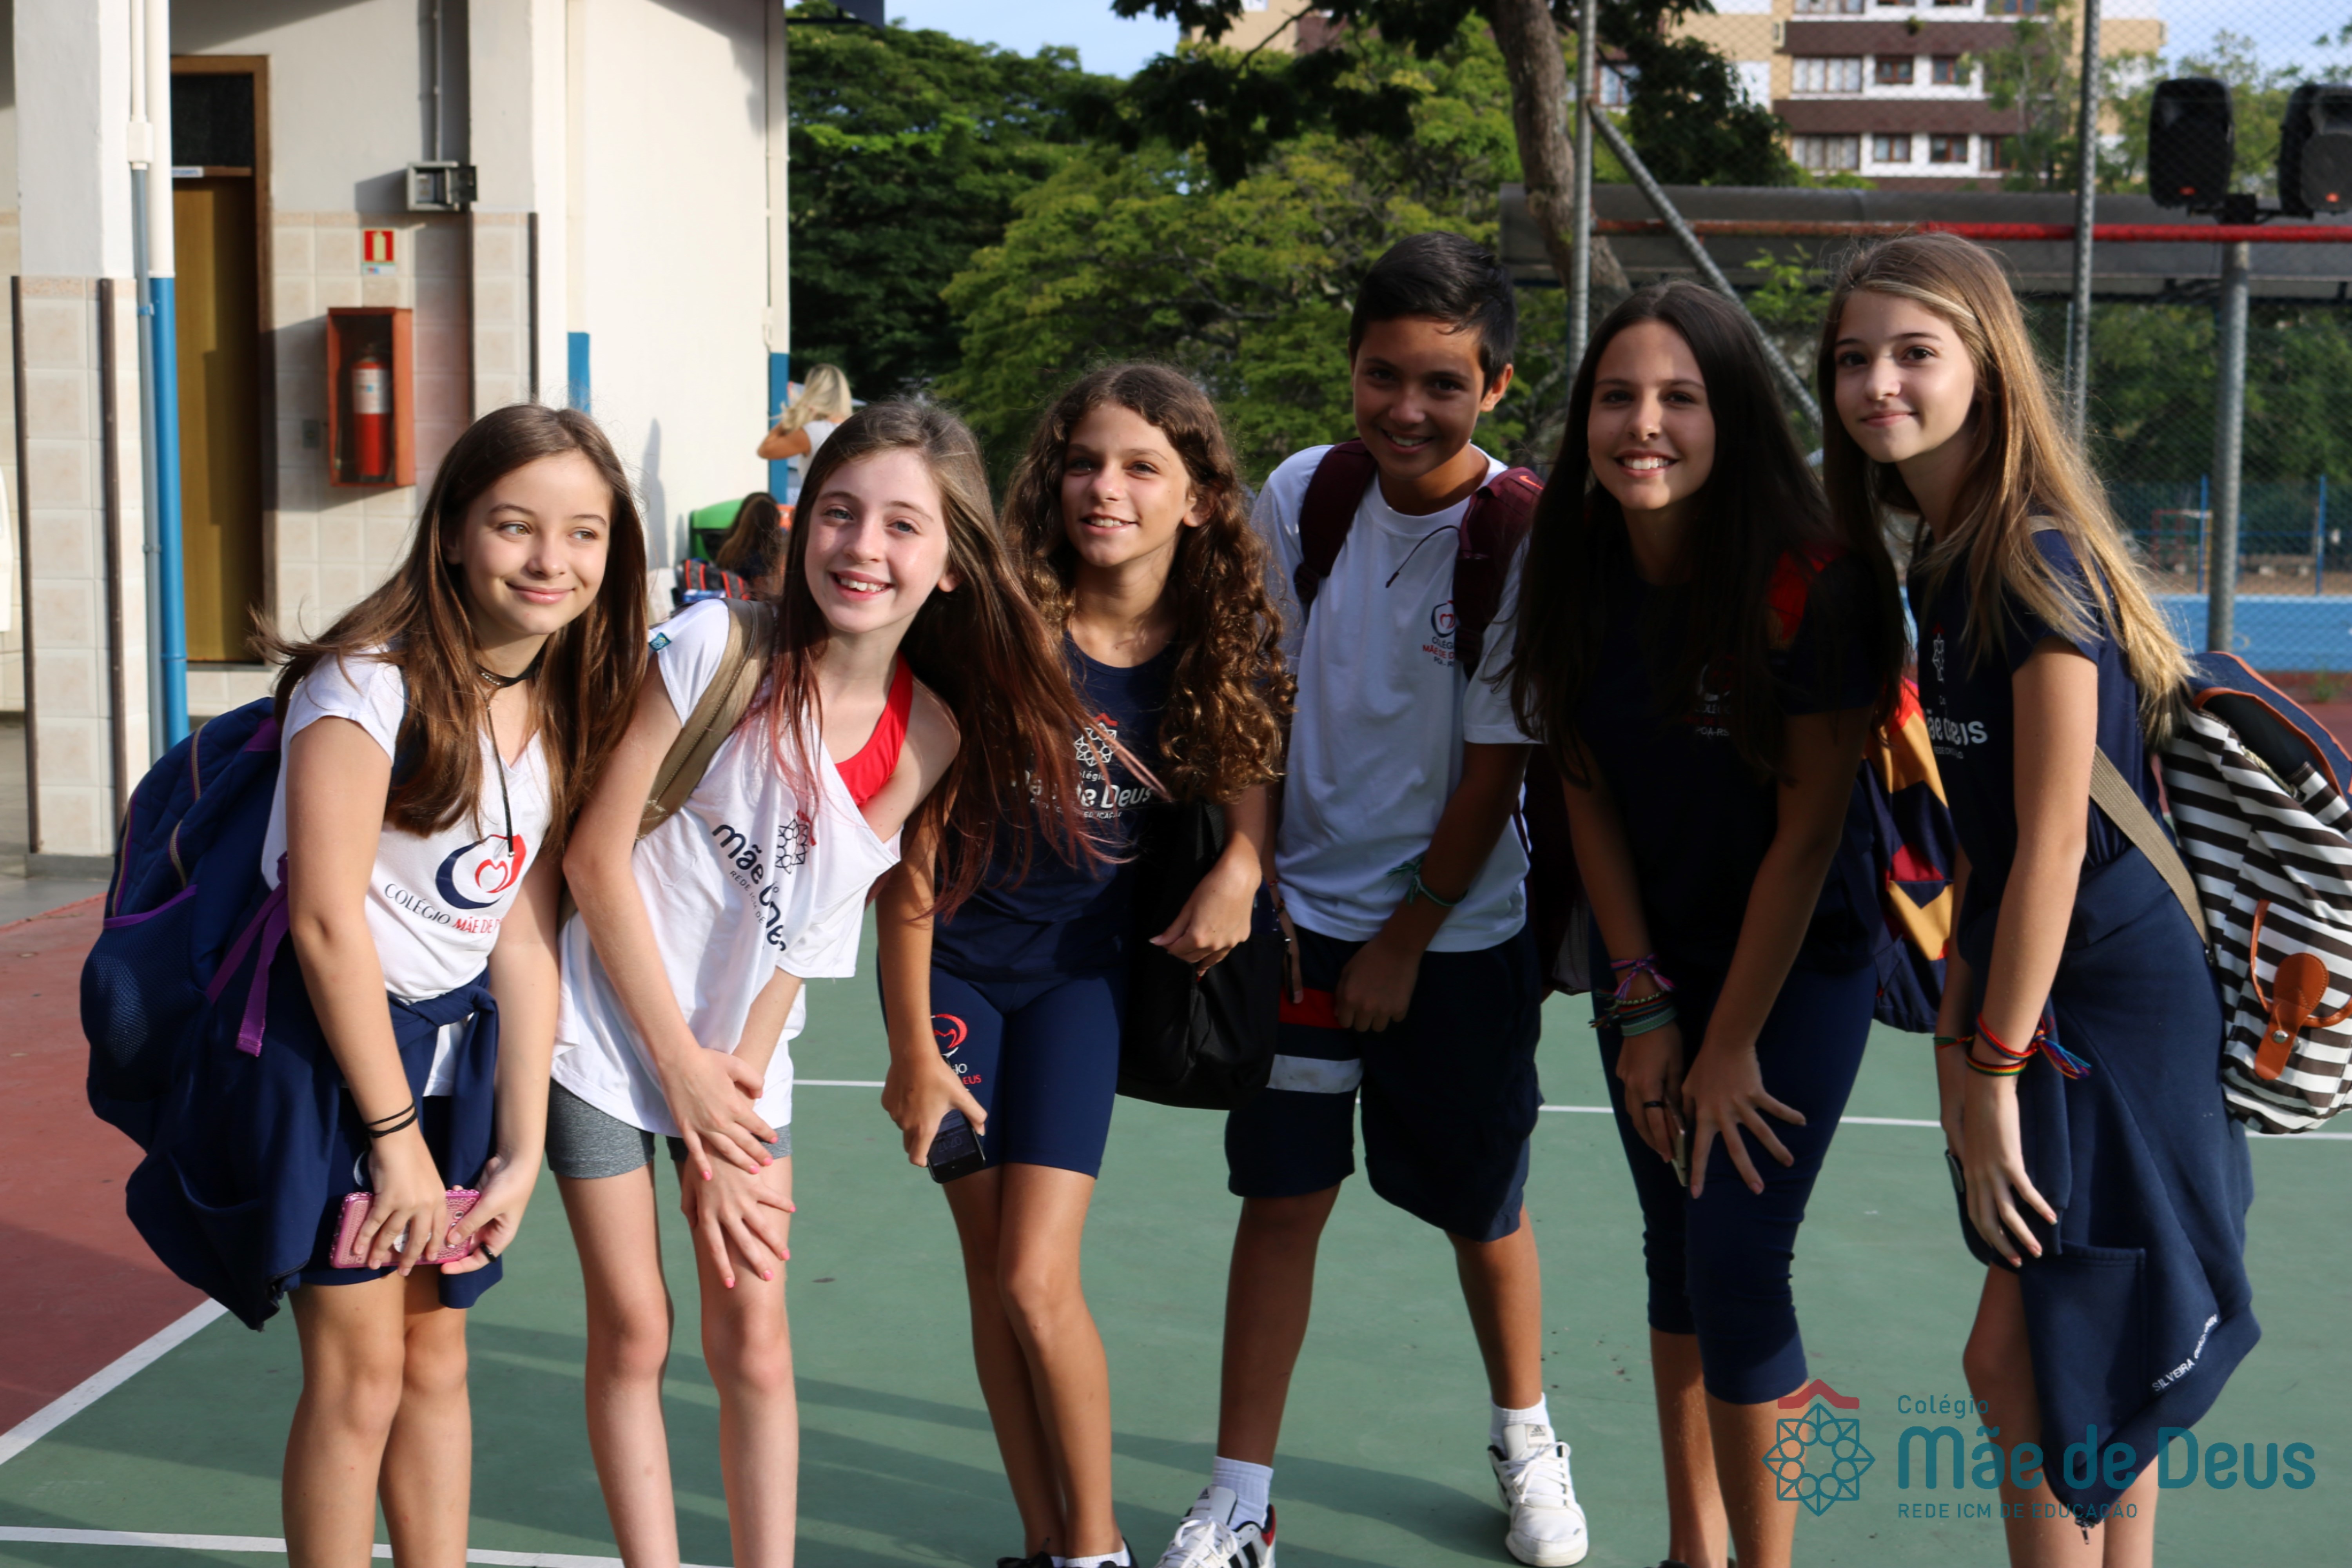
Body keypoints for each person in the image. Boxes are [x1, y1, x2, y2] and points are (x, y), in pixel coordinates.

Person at [552, 403, 1103, 1568]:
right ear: (803, 528)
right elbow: (595, 859)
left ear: (949, 565)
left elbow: (812, 922)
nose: (863, 546)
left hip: (738, 1061)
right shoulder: (715, 646)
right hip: (599, 1032)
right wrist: (680, 1072)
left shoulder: (929, 731)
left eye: (903, 525)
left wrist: (735, 1079)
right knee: (637, 1328)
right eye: (841, 513)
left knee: (754, 1335)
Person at [126, 403, 648, 1568]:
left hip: (449, 1071)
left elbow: (522, 938)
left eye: (584, 532)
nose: (551, 559)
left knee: (435, 1361)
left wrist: (519, 1147)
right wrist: (396, 1138)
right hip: (331, 1060)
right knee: (360, 1376)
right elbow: (324, 925)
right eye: (515, 525)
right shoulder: (364, 682)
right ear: (453, 531)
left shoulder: (563, 699)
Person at [1824, 233, 2256, 1565]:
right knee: (2083, 1360)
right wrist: (1962, 1041)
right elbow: (1987, 847)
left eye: (1915, 353)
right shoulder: (1944, 560)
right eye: (1853, 358)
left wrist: (1997, 1063)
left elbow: (2058, 845)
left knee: (2029, 1363)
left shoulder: (2035, 562)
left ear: (1989, 371)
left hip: (2110, 1000)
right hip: (2042, 988)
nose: (1878, 383)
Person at [1149, 232, 1575, 1568]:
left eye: (1443, 383)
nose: (1407, 407)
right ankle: (1240, 1497)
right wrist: (1253, 863)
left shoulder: (1523, 532)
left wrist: (1404, 939)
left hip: (1460, 937)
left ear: (1494, 387)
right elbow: (1255, 692)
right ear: (1352, 369)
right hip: (1299, 932)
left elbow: (1498, 767)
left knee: (1481, 1209)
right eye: (1383, 374)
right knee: (1282, 1203)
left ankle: (1527, 1439)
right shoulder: (1306, 493)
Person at [1508, 282, 1904, 1568]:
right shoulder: (1574, 556)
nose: (1645, 424)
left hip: (1799, 965)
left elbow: (1808, 837)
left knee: (1737, 1264)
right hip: (1657, 961)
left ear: (1731, 414)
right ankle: (1697, 1548)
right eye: (1618, 396)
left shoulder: (1817, 584)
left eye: (1680, 397)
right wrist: (1643, 1007)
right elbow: (1582, 785)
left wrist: (1725, 1043)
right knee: (1676, 1252)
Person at [876, 365, 1289, 1568]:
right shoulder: (996, 629)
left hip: (1080, 984)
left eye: (1141, 467)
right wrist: (908, 1045)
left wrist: (1240, 868)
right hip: (954, 975)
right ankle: (1047, 1538)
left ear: (1199, 500)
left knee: (1033, 1274)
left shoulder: (1216, 648)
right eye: (1083, 462)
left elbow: (1250, 796)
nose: (1104, 487)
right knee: (991, 1278)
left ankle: (1095, 1547)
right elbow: (913, 858)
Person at [758, 363, 854, 498]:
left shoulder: (813, 431)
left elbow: (765, 450)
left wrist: (793, 415)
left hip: (819, 503)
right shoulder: (855, 429)